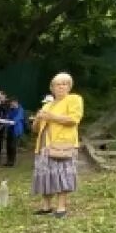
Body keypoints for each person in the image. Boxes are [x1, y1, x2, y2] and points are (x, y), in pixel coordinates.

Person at [31, 72, 83, 218]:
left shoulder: (74, 99)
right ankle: (46, 206)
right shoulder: (47, 105)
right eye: (57, 84)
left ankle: (61, 208)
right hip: (43, 145)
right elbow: (35, 129)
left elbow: (74, 119)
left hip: (62, 145)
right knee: (44, 176)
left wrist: (50, 117)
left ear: (69, 87)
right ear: (52, 88)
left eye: (64, 84)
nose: (61, 87)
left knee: (62, 175)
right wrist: (37, 119)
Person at [4, 97, 26, 167]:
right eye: (11, 103)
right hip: (9, 129)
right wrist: (6, 122)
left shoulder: (20, 109)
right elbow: (7, 117)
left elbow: (17, 118)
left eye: (12, 103)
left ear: (16, 102)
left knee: (13, 146)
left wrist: (11, 121)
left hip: (16, 130)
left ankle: (12, 162)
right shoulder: (10, 109)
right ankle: (8, 160)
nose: (11, 104)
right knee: (8, 145)